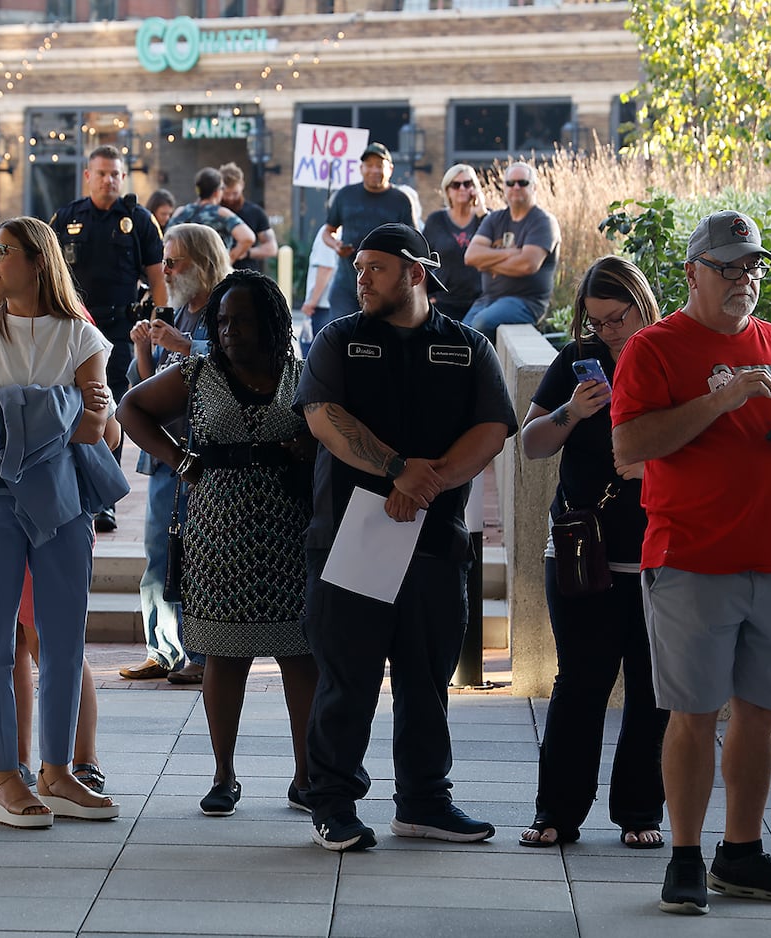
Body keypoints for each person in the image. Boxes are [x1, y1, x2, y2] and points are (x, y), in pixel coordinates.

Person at [612, 210, 771, 915]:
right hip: (691, 558)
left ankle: (742, 855)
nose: (746, 280)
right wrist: (725, 395)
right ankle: (684, 857)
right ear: (693, 272)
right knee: (693, 714)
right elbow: (631, 449)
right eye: (730, 266)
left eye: (754, 266)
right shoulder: (654, 347)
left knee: (761, 717)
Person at [296, 223, 517, 852]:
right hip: (350, 537)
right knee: (348, 678)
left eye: (375, 268)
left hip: (434, 540)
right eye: (358, 267)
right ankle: (333, 802)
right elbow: (323, 417)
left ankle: (424, 801)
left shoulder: (467, 347)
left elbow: (493, 427)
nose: (359, 278)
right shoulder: (340, 337)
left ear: (415, 273)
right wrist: (398, 468)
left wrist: (431, 480)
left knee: (427, 678)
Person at [0, 216, 128, 828]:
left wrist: (19, 406)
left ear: (36, 260)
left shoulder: (81, 335)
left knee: (65, 639)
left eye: (3, 251)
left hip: (63, 500)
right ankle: (4, 775)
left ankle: (57, 771)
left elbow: (97, 427)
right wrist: (61, 403)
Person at [120, 270, 319, 817]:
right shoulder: (196, 373)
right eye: (222, 321)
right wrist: (180, 462)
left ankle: (306, 776)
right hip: (218, 535)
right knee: (223, 657)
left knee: (299, 655)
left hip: (288, 531)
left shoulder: (302, 375)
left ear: (272, 323)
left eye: (242, 320)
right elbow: (129, 410)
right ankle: (224, 775)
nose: (229, 331)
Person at [518, 256, 669, 850]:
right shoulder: (575, 361)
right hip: (583, 548)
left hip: (657, 550)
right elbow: (530, 444)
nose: (608, 331)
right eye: (596, 320)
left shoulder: (667, 359)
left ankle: (640, 812)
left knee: (652, 687)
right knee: (580, 682)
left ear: (642, 303)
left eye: (617, 318)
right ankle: (556, 812)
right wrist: (570, 412)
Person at [119, 224, 231, 684]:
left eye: (174, 261)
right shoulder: (179, 311)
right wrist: (145, 348)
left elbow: (243, 364)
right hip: (168, 455)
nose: (164, 269)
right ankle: (163, 651)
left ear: (203, 261)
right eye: (164, 260)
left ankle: (204, 655)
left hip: (207, 456)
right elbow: (145, 388)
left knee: (201, 553)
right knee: (159, 553)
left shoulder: (227, 307)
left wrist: (183, 346)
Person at [51, 144, 168, 532]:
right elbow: (48, 275)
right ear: (88, 176)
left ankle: (104, 499)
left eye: (116, 174)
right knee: (66, 405)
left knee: (109, 405)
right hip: (71, 328)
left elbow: (157, 280)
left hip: (118, 330)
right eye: (102, 173)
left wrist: (160, 325)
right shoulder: (66, 218)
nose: (110, 180)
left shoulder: (139, 220)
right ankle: (69, 490)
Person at [461, 161, 560, 342]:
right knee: (459, 336)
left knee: (481, 324)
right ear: (504, 187)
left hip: (525, 303)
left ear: (534, 187)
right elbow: (471, 256)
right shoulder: (494, 219)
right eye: (510, 183)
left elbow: (527, 265)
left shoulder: (543, 222)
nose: (515, 187)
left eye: (522, 183)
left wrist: (488, 264)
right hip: (488, 299)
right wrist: (512, 253)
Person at [320, 143, 416, 323]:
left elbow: (412, 241)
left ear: (390, 169)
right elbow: (327, 231)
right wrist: (336, 245)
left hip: (385, 288)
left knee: (380, 341)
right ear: (361, 168)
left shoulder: (401, 200)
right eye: (369, 165)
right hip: (346, 284)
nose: (374, 170)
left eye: (379, 165)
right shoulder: (345, 195)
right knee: (343, 338)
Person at [421, 163, 487, 324]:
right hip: (445, 302)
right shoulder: (436, 220)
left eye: (468, 184)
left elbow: (499, 250)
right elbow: (422, 260)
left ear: (475, 188)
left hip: (481, 302)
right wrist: (427, 295)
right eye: (456, 185)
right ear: (447, 191)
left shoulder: (487, 219)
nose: (462, 189)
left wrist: (482, 213)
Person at [166, 166, 255, 264]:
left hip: (182, 272)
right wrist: (229, 259)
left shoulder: (181, 211)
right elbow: (248, 237)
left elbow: (166, 239)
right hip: (213, 273)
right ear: (217, 192)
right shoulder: (221, 213)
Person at [218, 162, 277, 274]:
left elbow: (272, 248)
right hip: (217, 274)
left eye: (235, 193)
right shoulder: (212, 213)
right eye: (226, 194)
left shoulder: (255, 212)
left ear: (242, 185)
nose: (230, 198)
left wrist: (247, 252)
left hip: (246, 275)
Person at [298, 226, 338, 341]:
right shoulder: (342, 231)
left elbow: (325, 268)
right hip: (331, 303)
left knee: (316, 349)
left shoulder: (327, 234)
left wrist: (311, 302)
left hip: (321, 305)